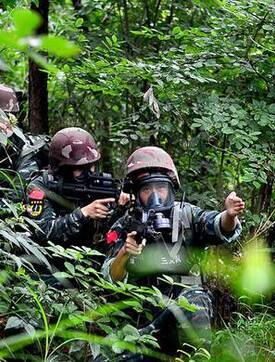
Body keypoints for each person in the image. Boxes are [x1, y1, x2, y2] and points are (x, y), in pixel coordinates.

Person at [102, 146, 245, 357]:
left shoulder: (186, 215)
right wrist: (125, 252)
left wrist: (230, 215)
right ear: (136, 193)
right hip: (141, 319)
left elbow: (216, 225)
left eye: (160, 188)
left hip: (184, 313)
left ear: (170, 190)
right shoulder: (125, 225)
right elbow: (109, 279)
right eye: (146, 190)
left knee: (196, 298)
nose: (154, 196)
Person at [25, 127, 129, 247]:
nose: (88, 173)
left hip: (89, 254)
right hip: (52, 257)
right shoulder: (39, 188)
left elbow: (109, 234)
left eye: (90, 166)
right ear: (62, 168)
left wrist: (120, 209)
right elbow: (43, 232)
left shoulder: (98, 186)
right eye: (79, 168)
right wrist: (84, 213)